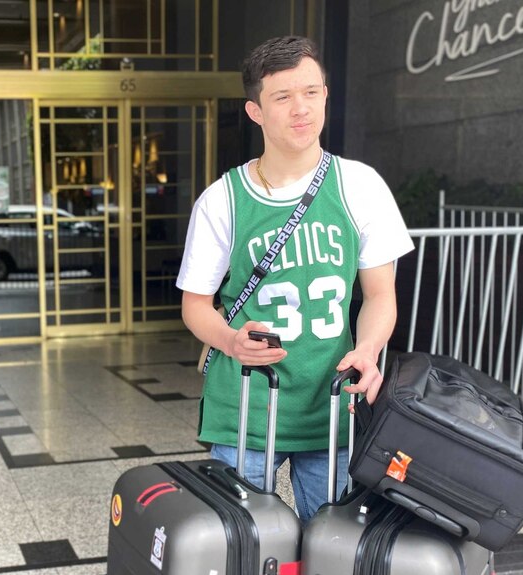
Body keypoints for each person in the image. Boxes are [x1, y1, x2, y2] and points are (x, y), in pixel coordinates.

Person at [176, 36, 414, 521]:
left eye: (311, 92)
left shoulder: (360, 186)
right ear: (256, 111)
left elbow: (380, 297)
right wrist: (229, 339)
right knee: (244, 546)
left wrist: (367, 351)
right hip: (246, 407)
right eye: (282, 97)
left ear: (326, 96)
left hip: (332, 408)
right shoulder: (222, 199)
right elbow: (195, 305)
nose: (300, 109)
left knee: (332, 551)